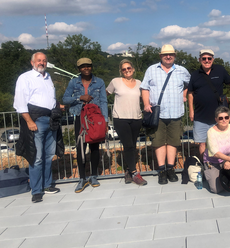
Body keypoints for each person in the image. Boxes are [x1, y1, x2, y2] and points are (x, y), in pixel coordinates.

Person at [13, 52, 61, 203]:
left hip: (50, 120)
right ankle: (36, 190)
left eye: (44, 60)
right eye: (39, 60)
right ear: (32, 62)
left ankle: (47, 185)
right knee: (37, 157)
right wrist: (29, 121)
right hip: (36, 120)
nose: (42, 62)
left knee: (48, 155)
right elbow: (20, 103)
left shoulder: (48, 77)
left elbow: (50, 99)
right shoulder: (25, 78)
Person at [140, 44, 190, 185]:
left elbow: (189, 85)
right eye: (165, 55)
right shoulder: (151, 70)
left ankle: (170, 169)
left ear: (174, 56)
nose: (168, 57)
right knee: (158, 142)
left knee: (173, 142)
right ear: (161, 56)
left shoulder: (182, 70)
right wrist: (146, 104)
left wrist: (184, 95)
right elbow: (145, 88)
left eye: (171, 55)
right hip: (157, 113)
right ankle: (162, 170)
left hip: (175, 112)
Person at [62, 58, 108, 192]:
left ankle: (93, 176)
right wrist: (79, 98)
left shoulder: (99, 82)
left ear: (92, 67)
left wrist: (105, 120)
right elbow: (65, 99)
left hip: (95, 118)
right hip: (80, 118)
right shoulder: (73, 82)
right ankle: (82, 178)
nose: (86, 68)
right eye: (83, 67)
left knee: (94, 146)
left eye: (88, 66)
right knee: (80, 148)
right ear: (79, 69)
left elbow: (104, 101)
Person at [106, 59, 147, 186]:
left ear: (133, 69)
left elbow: (144, 97)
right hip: (120, 118)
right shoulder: (115, 81)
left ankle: (128, 172)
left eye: (129, 68)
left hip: (136, 117)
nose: (127, 70)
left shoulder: (140, 83)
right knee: (128, 145)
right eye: (124, 69)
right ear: (121, 71)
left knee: (132, 145)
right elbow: (105, 95)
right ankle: (135, 173)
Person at [188, 49, 230, 157]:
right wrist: (191, 111)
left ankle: (219, 165)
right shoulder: (195, 75)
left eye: (209, 58)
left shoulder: (220, 70)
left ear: (213, 59)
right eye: (204, 58)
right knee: (202, 143)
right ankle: (206, 165)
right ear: (199, 60)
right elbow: (190, 94)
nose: (207, 60)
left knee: (219, 142)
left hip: (218, 116)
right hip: (200, 116)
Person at [204, 106, 230, 194]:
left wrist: (229, 161)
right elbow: (215, 153)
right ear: (216, 119)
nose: (224, 120)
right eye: (220, 118)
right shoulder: (211, 132)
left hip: (227, 160)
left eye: (226, 117)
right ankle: (213, 174)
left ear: (229, 118)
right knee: (216, 190)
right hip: (213, 162)